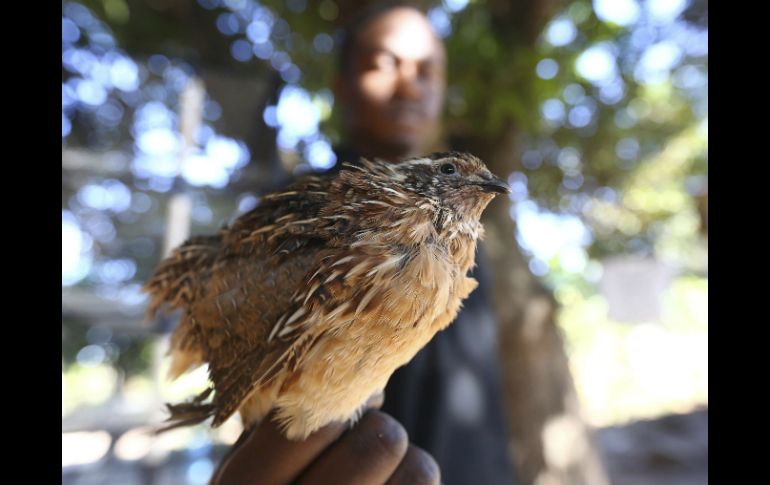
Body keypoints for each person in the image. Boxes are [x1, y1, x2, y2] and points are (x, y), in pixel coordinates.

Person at [212, 4, 518, 484]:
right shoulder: (296, 212)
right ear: (341, 85)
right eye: (384, 63)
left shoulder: (471, 230)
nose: (409, 83)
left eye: (427, 70)